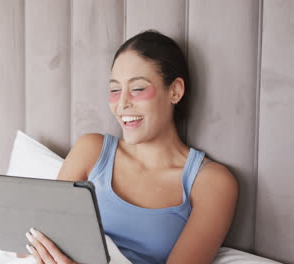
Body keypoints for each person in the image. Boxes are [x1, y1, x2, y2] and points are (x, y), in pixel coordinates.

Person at [20, 30, 238, 264]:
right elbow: (33, 245)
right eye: (115, 90)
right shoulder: (90, 151)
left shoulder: (211, 182)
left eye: (137, 89)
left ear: (175, 91)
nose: (122, 103)